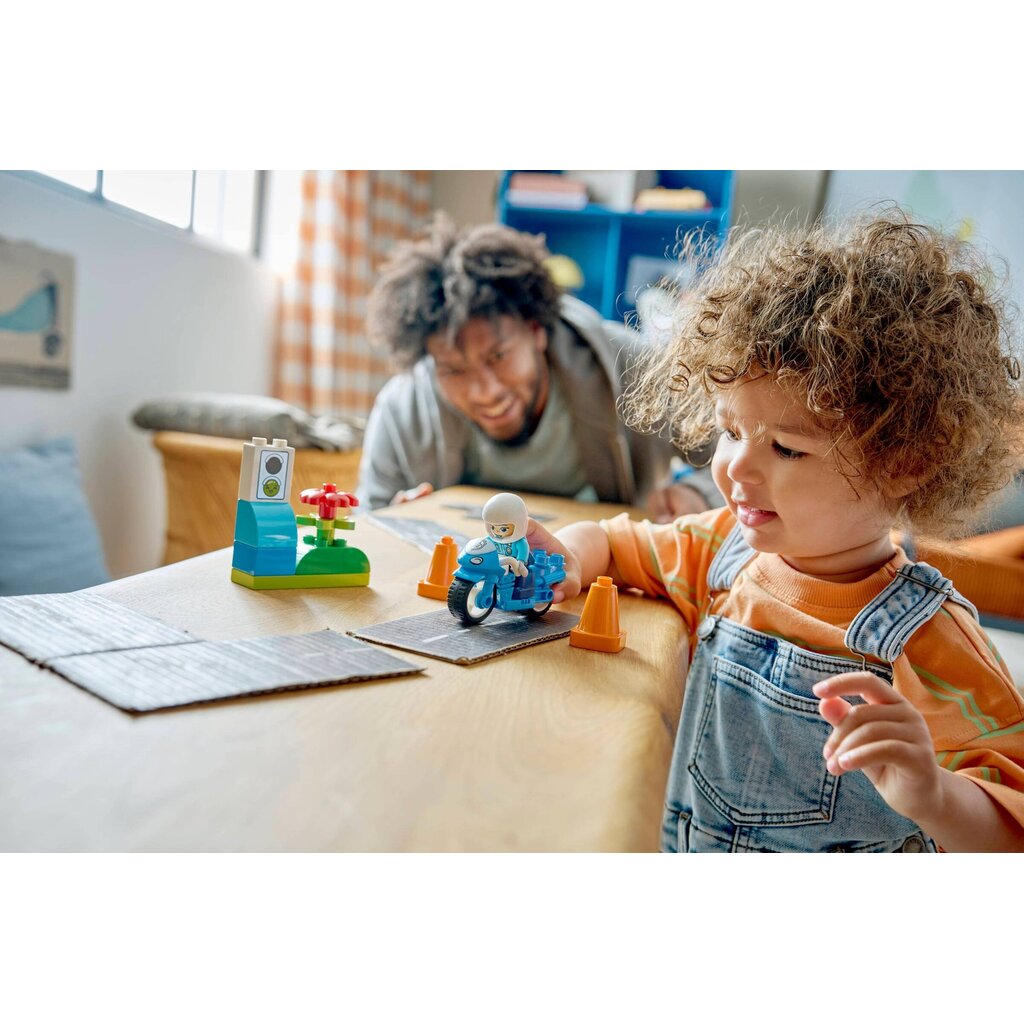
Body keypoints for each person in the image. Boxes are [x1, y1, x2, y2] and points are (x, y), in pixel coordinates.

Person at [529, 212, 1024, 852]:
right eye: (731, 432)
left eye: (786, 448)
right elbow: (614, 544)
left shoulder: (935, 645)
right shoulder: (719, 548)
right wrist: (565, 557)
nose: (734, 465)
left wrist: (936, 795)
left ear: (904, 464)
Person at [355, 215, 719, 519]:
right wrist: (395, 523)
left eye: (497, 357)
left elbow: (735, 449)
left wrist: (698, 493)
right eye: (453, 370)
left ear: (536, 331)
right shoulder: (402, 406)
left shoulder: (635, 367)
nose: (486, 391)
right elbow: (370, 518)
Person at [481, 492, 530, 577]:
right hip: (495, 565)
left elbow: (522, 554)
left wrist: (520, 563)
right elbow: (483, 545)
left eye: (503, 529)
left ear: (518, 526)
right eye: (493, 527)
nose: (497, 532)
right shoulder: (490, 539)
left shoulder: (520, 543)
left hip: (512, 568)